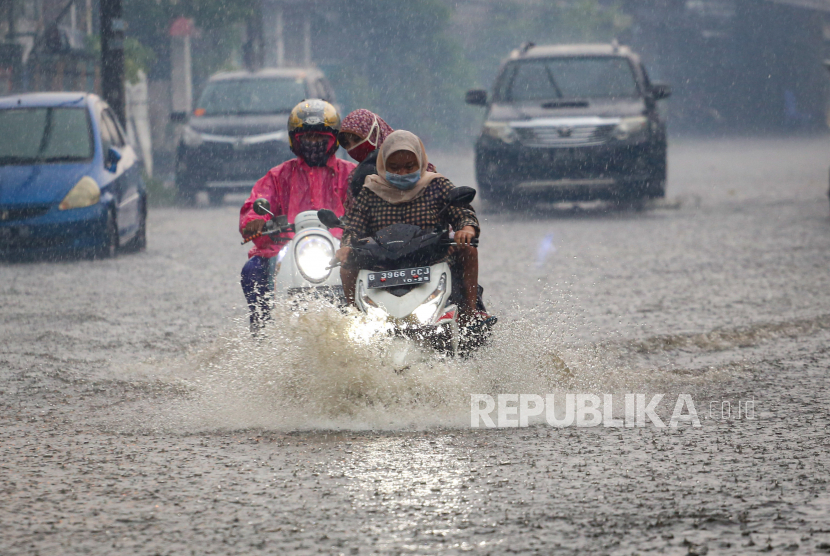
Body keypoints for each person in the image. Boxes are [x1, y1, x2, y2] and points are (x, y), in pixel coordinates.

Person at [335, 130, 492, 328]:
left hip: (433, 257)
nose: (402, 173)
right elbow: (353, 226)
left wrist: (466, 229)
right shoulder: (370, 192)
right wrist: (347, 246)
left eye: (409, 167)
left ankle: (470, 313)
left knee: (469, 249)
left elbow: (461, 211)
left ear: (421, 161)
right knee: (347, 267)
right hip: (383, 263)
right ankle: (355, 317)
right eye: (394, 168)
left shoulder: (436, 185)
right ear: (383, 165)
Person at [239, 99, 355, 330]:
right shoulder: (278, 175)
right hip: (286, 249)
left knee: (373, 272)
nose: (314, 143)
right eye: (308, 137)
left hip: (343, 248)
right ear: (295, 140)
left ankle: (370, 326)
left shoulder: (352, 174)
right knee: (252, 270)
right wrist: (254, 220)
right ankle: (263, 331)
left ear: (334, 140)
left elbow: (371, 204)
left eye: (320, 137)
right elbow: (255, 203)